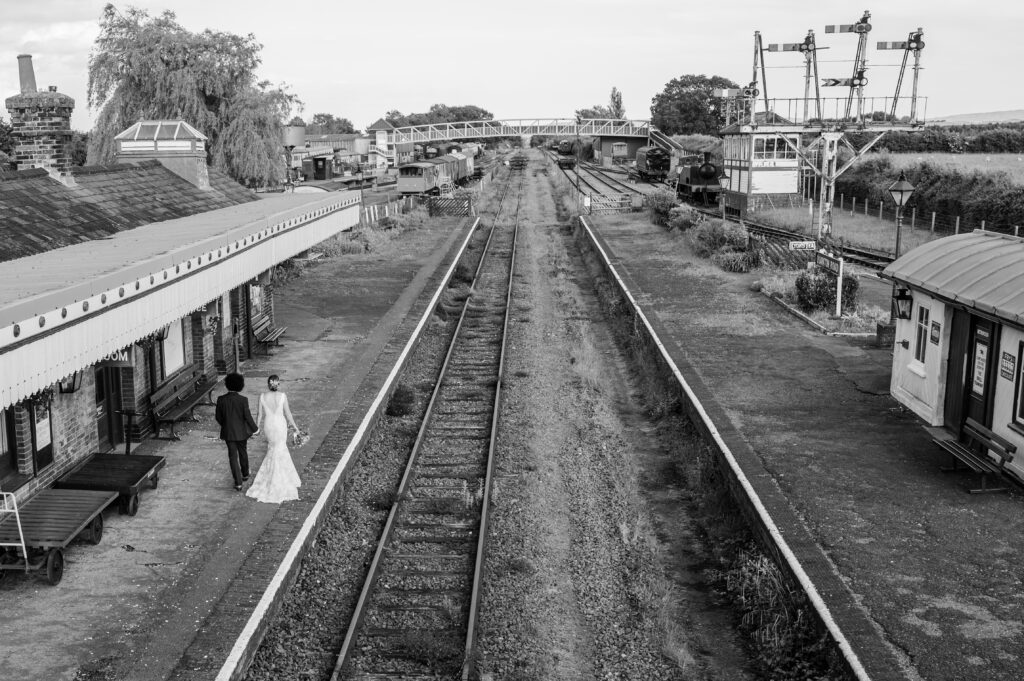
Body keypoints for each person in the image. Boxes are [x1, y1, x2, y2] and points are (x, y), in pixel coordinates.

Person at [246, 374, 302, 503]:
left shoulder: (262, 396)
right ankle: (281, 478)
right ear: (278, 384)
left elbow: (260, 414)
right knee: (280, 448)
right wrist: (295, 427)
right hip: (280, 424)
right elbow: (288, 413)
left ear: (268, 384)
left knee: (272, 449)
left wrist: (256, 428)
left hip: (269, 425)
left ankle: (271, 477)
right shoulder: (282, 396)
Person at [215, 372, 258, 491]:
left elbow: (218, 417)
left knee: (232, 456)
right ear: (240, 385)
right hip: (242, 432)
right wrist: (256, 429)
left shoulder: (221, 399)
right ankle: (245, 473)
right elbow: (247, 417)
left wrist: (225, 425)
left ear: (227, 385)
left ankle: (238, 482)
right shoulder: (243, 400)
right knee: (243, 452)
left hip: (228, 432)